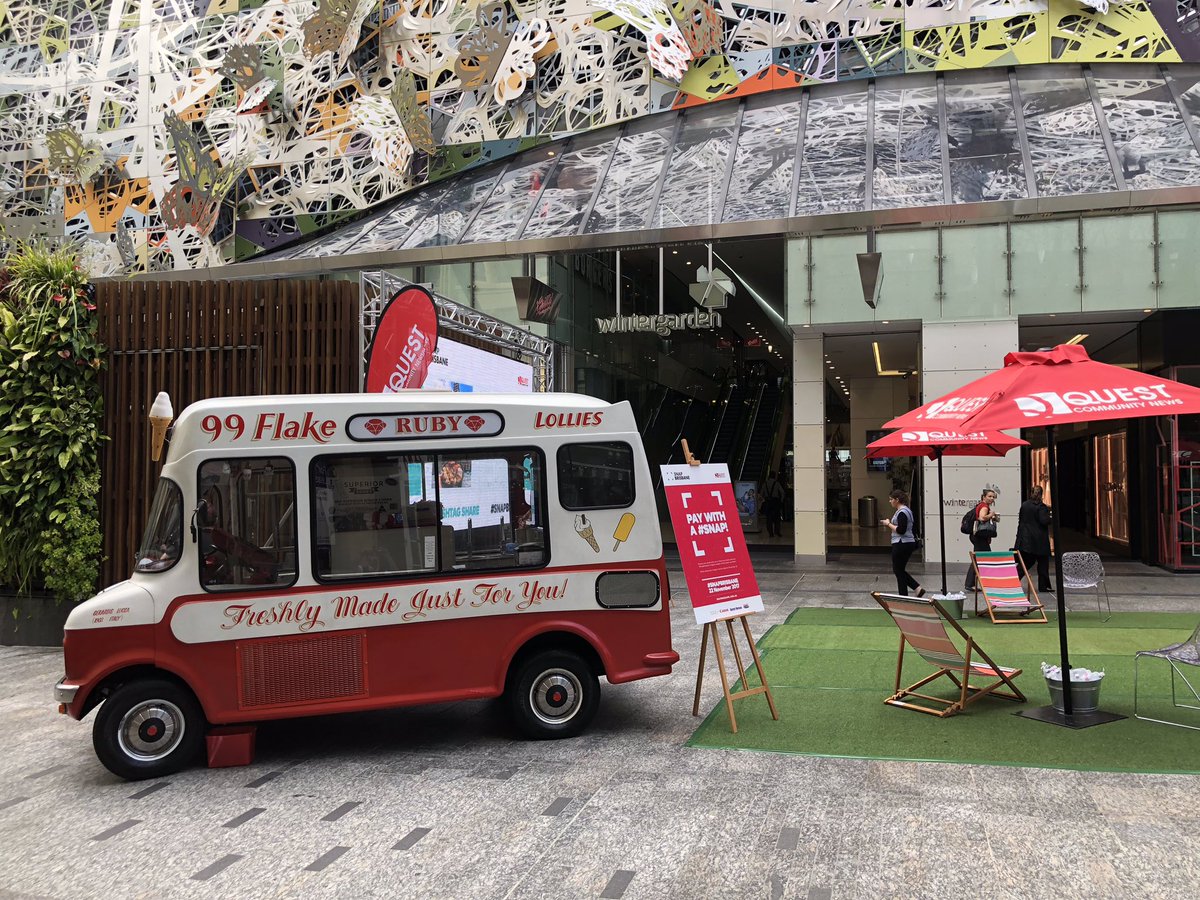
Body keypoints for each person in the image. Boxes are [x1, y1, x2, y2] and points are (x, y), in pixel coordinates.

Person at [881, 489, 924, 597]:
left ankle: (911, 590)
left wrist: (888, 523)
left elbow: (901, 530)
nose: (890, 501)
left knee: (898, 570)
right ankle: (912, 591)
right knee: (899, 570)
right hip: (906, 543)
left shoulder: (902, 512)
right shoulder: (906, 511)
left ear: (897, 500)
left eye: (891, 499)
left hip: (901, 543)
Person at [1015, 485, 1053, 593]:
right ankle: (1043, 585)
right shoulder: (1041, 507)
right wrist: (1050, 518)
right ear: (1041, 494)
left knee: (1026, 562)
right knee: (1043, 563)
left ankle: (1013, 581)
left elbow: (1021, 521)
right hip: (1039, 540)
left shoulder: (1025, 505)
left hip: (1026, 539)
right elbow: (1043, 521)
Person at [964, 486, 999, 592]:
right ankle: (988, 582)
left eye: (993, 497)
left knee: (979, 559)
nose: (992, 498)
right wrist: (991, 515)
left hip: (978, 536)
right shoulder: (984, 506)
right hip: (979, 537)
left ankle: (971, 583)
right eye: (989, 496)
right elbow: (982, 517)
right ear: (984, 497)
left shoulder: (981, 505)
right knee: (986, 558)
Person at [762, 470, 785, 538]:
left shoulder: (765, 483)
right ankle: (777, 532)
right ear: (774, 476)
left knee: (769, 518)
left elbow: (761, 493)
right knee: (777, 518)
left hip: (768, 502)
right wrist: (781, 500)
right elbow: (782, 492)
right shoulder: (777, 483)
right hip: (775, 502)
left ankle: (770, 533)